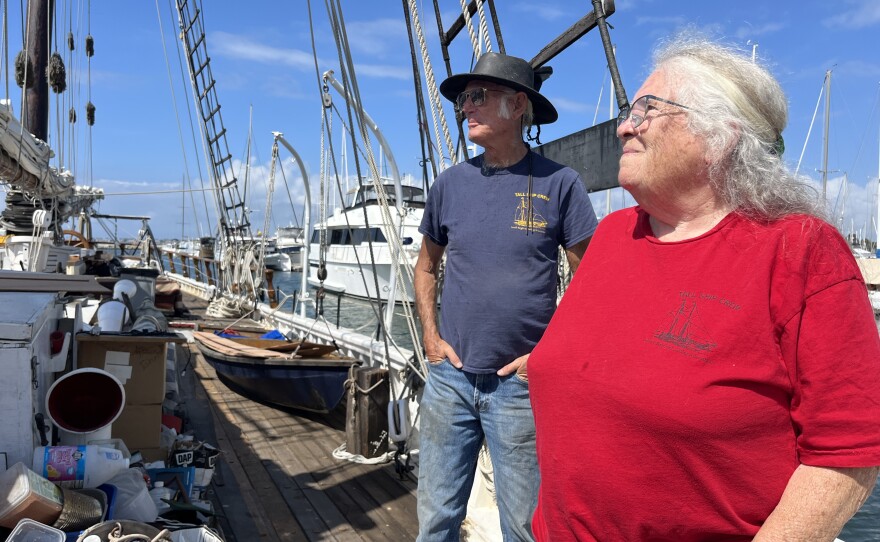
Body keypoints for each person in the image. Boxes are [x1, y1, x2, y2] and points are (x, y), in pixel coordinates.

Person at [528, 34, 880, 541]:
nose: (625, 125)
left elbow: (847, 456)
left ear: (721, 136)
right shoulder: (611, 235)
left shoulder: (800, 251)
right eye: (629, 110)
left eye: (648, 109)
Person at [414, 52, 598, 541]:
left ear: (518, 105)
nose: (465, 108)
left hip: (519, 386)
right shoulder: (449, 184)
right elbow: (426, 265)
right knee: (435, 521)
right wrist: (431, 339)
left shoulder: (561, 184)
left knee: (525, 526)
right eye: (462, 100)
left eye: (477, 97)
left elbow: (589, 282)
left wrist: (547, 355)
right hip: (450, 379)